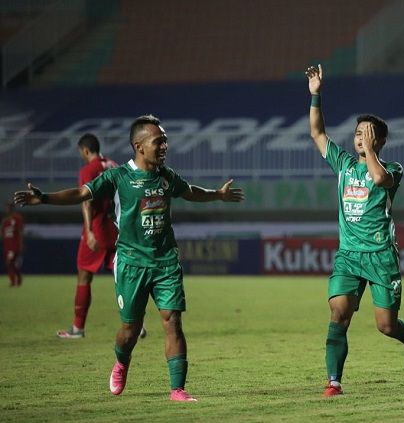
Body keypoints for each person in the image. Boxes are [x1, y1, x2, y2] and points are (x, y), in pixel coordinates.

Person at [14, 114, 245, 401]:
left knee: (172, 321)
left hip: (165, 262)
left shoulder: (166, 176)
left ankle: (177, 389)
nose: (164, 146)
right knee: (130, 329)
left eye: (165, 141)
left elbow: (190, 192)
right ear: (139, 146)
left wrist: (217, 195)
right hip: (131, 263)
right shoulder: (118, 177)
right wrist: (44, 198)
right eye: (158, 141)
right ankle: (122, 362)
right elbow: (82, 193)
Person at [306, 64, 404, 397]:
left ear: (379, 139)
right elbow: (318, 134)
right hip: (349, 255)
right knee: (338, 312)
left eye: (366, 132)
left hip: (381, 256)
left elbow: (379, 179)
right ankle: (334, 381)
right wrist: (316, 95)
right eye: (357, 132)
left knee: (386, 326)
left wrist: (372, 152)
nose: (359, 136)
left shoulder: (393, 168)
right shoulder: (344, 164)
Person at [57, 134, 146, 340]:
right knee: (124, 276)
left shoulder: (88, 169)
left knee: (84, 275)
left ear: (85, 150)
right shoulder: (113, 164)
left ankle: (78, 328)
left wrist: (88, 231)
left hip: (97, 228)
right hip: (117, 228)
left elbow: (86, 201)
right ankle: (137, 325)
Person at [2, 202, 24, 287]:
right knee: (11, 263)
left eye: (9, 207)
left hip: (14, 245)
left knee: (9, 262)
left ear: (12, 208)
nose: (7, 209)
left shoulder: (17, 218)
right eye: (7, 208)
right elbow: (3, 234)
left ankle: (13, 281)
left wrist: (21, 244)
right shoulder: (5, 221)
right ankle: (18, 278)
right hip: (7, 245)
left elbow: (20, 232)